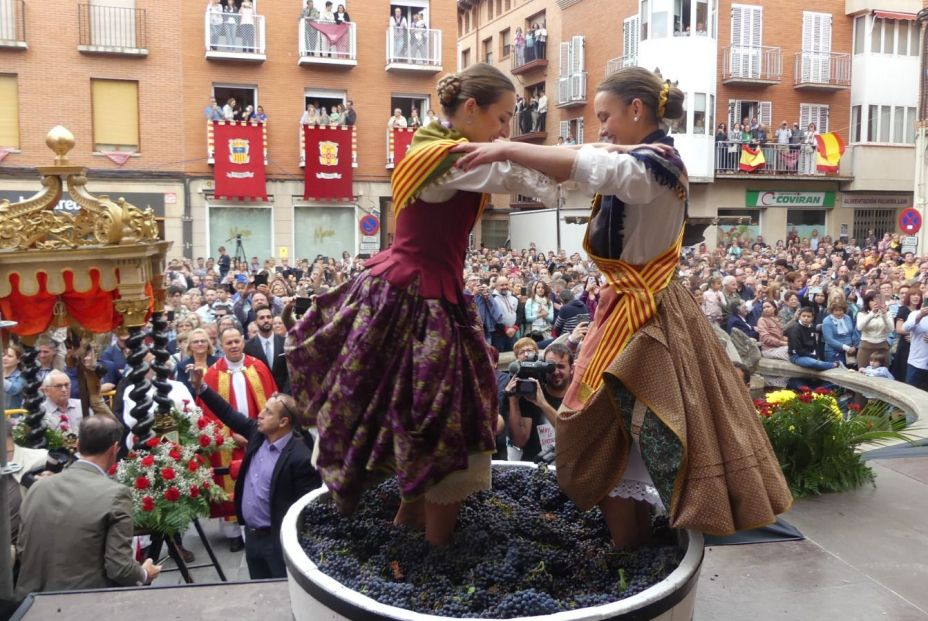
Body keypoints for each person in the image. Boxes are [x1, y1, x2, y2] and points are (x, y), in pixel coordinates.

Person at [452, 66, 791, 547]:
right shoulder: (648, 158)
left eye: (606, 116)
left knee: (612, 432)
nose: (602, 128)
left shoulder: (656, 164)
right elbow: (595, 158)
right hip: (637, 310)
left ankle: (627, 550)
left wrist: (504, 147)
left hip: (643, 319)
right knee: (621, 435)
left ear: (637, 109)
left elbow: (596, 165)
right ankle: (629, 548)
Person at [286, 64, 557, 546]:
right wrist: (603, 158)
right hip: (422, 298)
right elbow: (541, 182)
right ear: (471, 109)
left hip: (412, 289)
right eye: (502, 119)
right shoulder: (451, 159)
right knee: (441, 417)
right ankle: (435, 552)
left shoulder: (430, 143)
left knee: (413, 411)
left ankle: (409, 524)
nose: (504, 132)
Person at [188, 366, 319, 579]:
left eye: (268, 412)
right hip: (252, 537)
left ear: (284, 422)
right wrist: (200, 387)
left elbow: (307, 507)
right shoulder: (257, 435)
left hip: (277, 541)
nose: (260, 414)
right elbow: (228, 413)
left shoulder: (300, 458)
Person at [16, 416, 161, 598]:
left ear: (77, 445)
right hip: (84, 602)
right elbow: (120, 568)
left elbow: (23, 548)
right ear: (114, 449)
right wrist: (145, 574)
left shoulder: (38, 487)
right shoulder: (115, 494)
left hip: (30, 603)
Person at [199, 326, 279, 552]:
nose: (233, 346)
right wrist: (228, 435)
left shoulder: (258, 367)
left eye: (237, 341)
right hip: (230, 440)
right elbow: (208, 411)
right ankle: (234, 532)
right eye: (228, 343)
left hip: (259, 434)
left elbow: (273, 398)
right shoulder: (213, 373)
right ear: (221, 346)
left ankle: (265, 520)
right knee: (231, 479)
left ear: (243, 342)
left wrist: (261, 430)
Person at [502, 343, 573, 463]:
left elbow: (572, 434)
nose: (555, 372)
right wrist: (513, 400)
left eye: (561, 366)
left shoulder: (576, 398)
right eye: (550, 367)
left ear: (572, 369)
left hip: (567, 467)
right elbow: (519, 440)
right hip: (536, 468)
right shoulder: (531, 393)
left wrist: (543, 404)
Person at [243, 305, 290, 393]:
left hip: (283, 395)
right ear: (256, 322)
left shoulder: (285, 342)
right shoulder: (247, 347)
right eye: (262, 318)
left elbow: (290, 372)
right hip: (260, 395)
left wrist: (285, 394)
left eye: (269, 317)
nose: (266, 320)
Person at [856, 290, 893, 374]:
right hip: (866, 347)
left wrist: (884, 315)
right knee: (863, 374)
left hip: (882, 347)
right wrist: (872, 313)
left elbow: (891, 329)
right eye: (872, 300)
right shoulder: (862, 313)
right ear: (867, 302)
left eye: (878, 300)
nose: (875, 302)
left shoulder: (887, 313)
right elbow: (859, 327)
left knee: (883, 374)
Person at [40, 370, 83, 434]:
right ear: (46, 391)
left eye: (66, 385)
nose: (64, 389)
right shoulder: (40, 412)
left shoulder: (81, 405)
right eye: (58, 386)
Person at [892, 290, 922, 381]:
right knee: (904, 373)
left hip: (918, 347)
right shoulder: (903, 309)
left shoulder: (921, 310)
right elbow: (899, 329)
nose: (916, 297)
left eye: (918, 295)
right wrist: (913, 334)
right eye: (913, 294)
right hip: (905, 346)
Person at [821, 300, 859, 366]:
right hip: (833, 352)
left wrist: (854, 346)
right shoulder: (827, 321)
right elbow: (829, 340)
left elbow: (852, 333)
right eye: (836, 310)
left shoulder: (848, 318)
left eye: (840, 310)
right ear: (832, 311)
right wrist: (846, 348)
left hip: (849, 352)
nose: (838, 313)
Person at [3, 343, 24, 410]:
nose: (5, 358)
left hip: (10, 418)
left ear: (18, 360)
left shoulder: (21, 377)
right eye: (4, 355)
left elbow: (13, 389)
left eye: (9, 356)